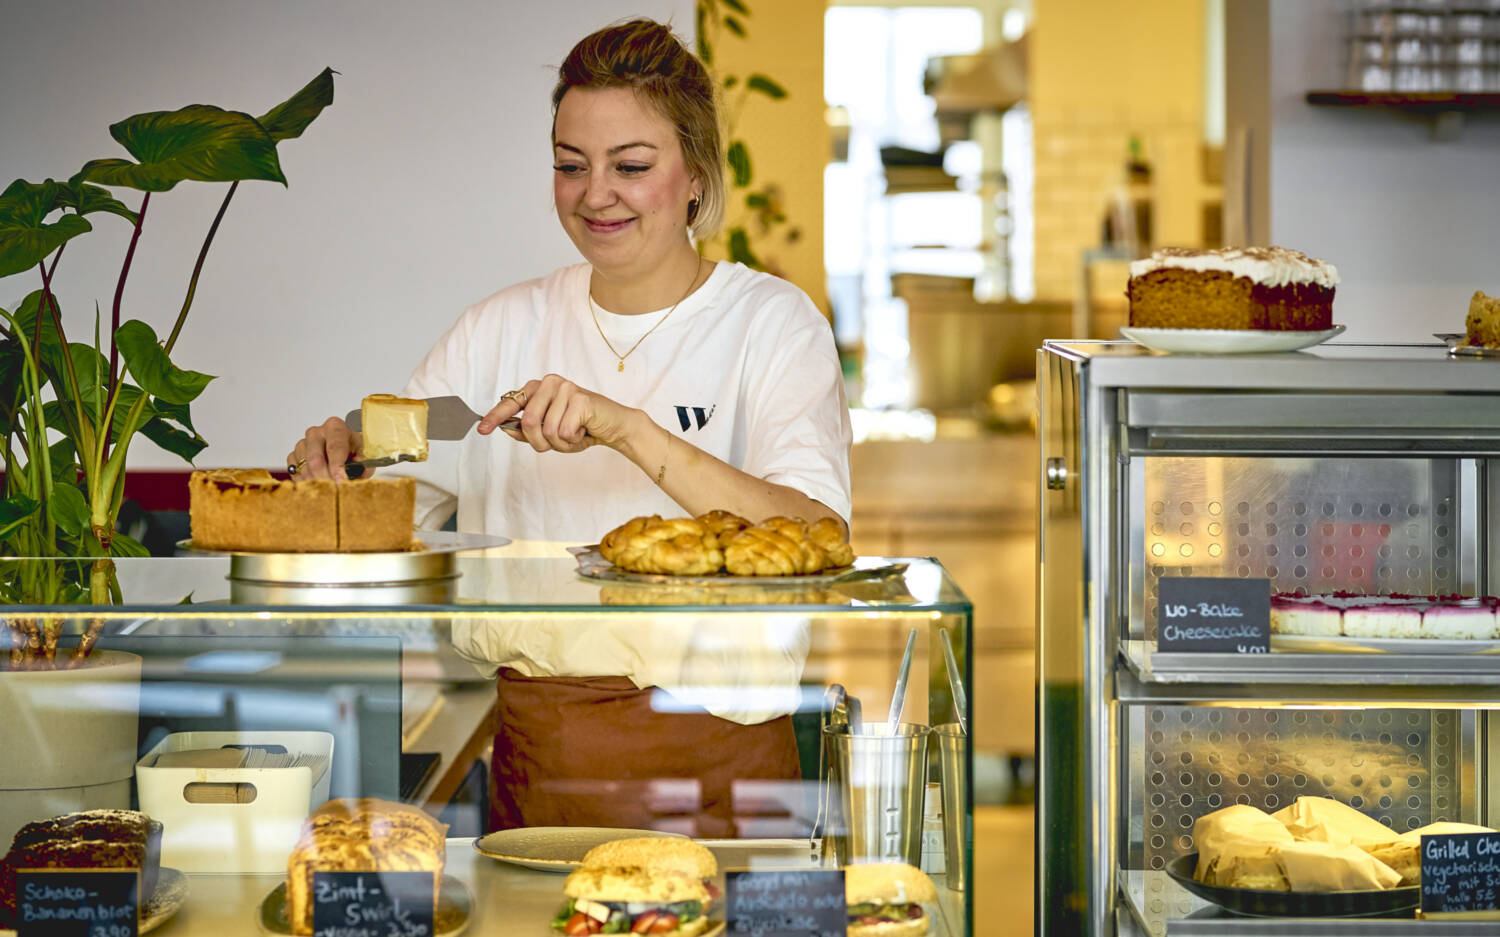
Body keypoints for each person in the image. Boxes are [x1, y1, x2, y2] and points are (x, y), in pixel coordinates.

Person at [288, 18, 851, 836]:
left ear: (695, 173)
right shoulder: (498, 330)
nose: (596, 195)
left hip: (726, 763)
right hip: (544, 757)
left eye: (631, 166)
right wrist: (337, 455)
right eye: (569, 166)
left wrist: (628, 429)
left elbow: (819, 534)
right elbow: (388, 490)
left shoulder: (772, 324)